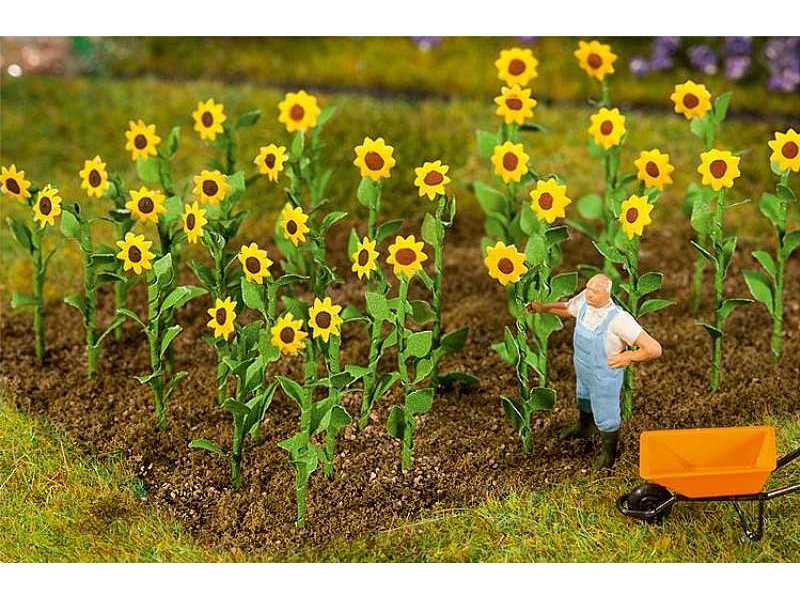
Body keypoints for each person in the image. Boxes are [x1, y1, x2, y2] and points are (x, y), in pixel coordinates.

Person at [527, 273, 662, 469]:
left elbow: (653, 349)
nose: (589, 294)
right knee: (583, 397)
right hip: (583, 366)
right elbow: (566, 308)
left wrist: (627, 356)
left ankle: (609, 452)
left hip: (604, 374)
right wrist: (543, 308)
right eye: (588, 288)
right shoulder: (584, 301)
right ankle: (584, 427)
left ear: (607, 294)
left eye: (595, 292)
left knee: (606, 412)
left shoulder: (620, 320)